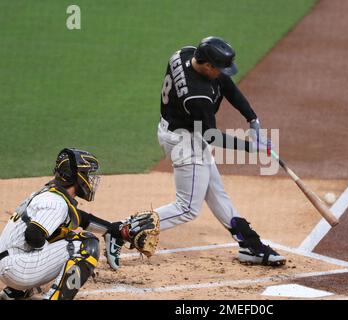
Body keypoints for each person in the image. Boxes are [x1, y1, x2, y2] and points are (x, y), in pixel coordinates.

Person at [108, 36, 286, 269]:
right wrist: (251, 147)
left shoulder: (184, 53)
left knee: (216, 192)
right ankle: (120, 231)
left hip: (179, 129)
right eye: (219, 68)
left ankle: (249, 245)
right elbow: (210, 135)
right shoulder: (197, 95)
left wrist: (252, 118)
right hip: (185, 141)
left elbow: (226, 84)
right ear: (207, 66)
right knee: (187, 208)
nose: (223, 72)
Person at [0, 148, 126, 300]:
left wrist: (112, 229)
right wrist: (61, 237)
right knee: (87, 244)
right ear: (75, 176)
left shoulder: (49, 194)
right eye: (86, 174)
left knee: (60, 236)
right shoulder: (57, 203)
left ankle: (16, 292)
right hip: (18, 269)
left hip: (11, 264)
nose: (89, 179)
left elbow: (80, 217)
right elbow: (32, 235)